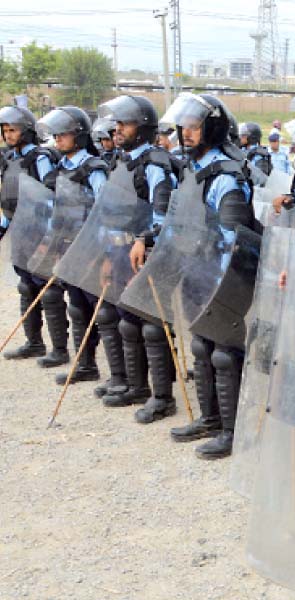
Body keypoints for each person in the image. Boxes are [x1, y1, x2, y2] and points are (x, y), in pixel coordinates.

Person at [165, 93, 255, 458]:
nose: (186, 133)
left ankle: (235, 431)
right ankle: (210, 418)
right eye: (183, 125)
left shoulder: (227, 176)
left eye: (194, 126)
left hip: (222, 275)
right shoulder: (192, 169)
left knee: (224, 352)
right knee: (201, 346)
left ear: (212, 128)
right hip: (195, 271)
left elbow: (232, 236)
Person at [94, 94, 179, 419]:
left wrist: (145, 239)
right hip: (119, 252)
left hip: (148, 253)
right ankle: (135, 385)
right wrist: (106, 250)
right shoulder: (120, 160)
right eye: (116, 124)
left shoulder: (155, 164)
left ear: (142, 128)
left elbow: (164, 212)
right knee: (126, 322)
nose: (118, 130)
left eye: (125, 124)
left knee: (152, 326)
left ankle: (162, 397)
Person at [36, 106, 109, 385]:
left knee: (101, 310)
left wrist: (100, 251)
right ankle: (85, 364)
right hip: (68, 245)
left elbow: (103, 208)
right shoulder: (61, 167)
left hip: (90, 247)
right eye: (56, 135)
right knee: (76, 306)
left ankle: (121, 377)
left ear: (78, 135)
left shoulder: (93, 168)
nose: (58, 139)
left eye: (63, 134)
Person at [0, 104, 60, 362]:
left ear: (25, 131)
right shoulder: (10, 159)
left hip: (39, 232)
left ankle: (60, 349)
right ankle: (33, 342)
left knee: (49, 290)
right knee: (26, 287)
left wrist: (49, 236)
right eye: (4, 130)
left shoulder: (39, 157)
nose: (7, 134)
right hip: (20, 231)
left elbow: (49, 197)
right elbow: (9, 200)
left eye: (12, 129)